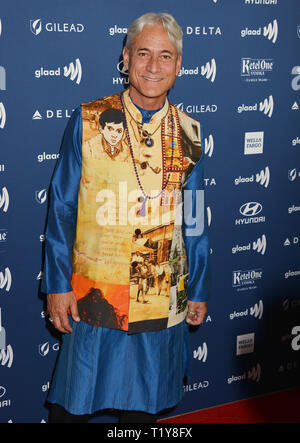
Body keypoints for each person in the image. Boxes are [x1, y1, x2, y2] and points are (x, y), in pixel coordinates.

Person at [43, 12, 210, 424]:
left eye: (166, 56)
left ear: (179, 65)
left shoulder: (189, 131)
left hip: (160, 295)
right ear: (126, 57)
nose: (154, 67)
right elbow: (62, 207)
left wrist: (200, 288)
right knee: (73, 406)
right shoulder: (89, 120)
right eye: (144, 54)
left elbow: (195, 220)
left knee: (144, 410)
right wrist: (57, 285)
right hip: (96, 294)